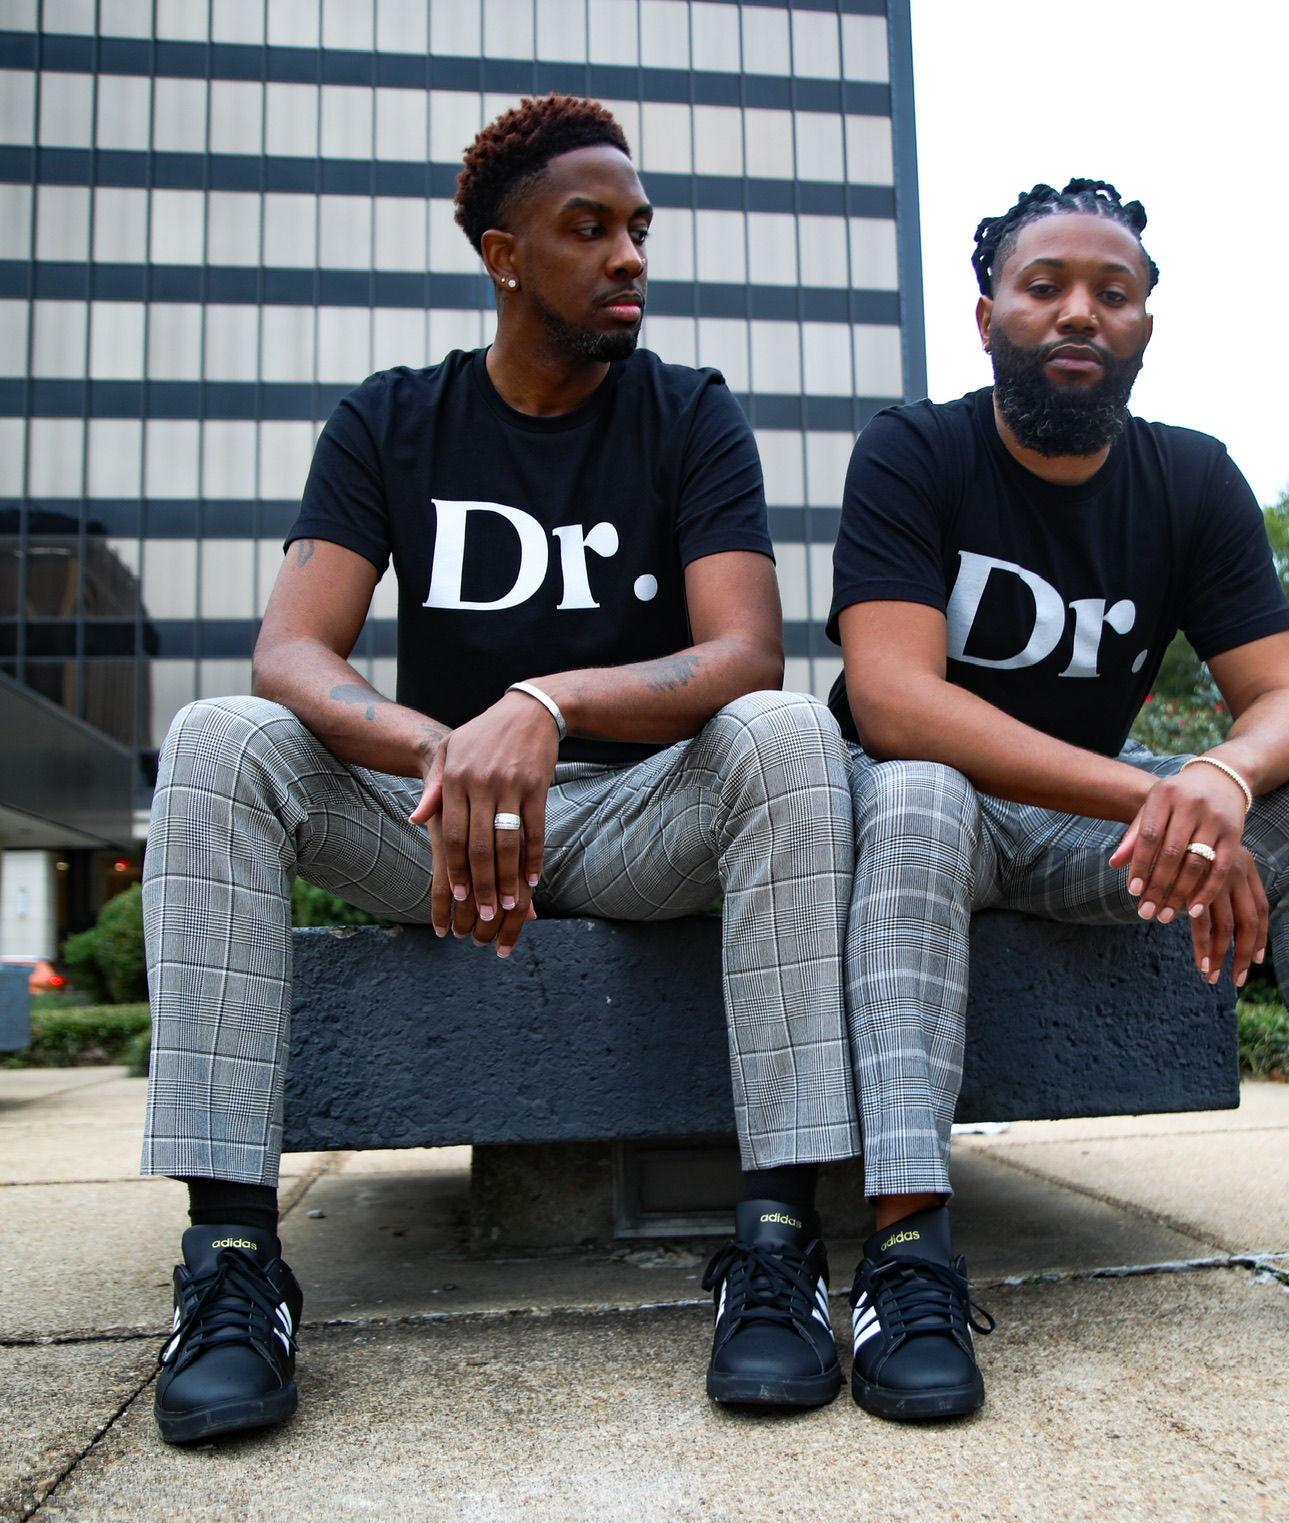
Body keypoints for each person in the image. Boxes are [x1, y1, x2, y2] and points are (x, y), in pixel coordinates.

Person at [142, 95, 856, 1444]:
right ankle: (231, 1266)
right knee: (218, 738)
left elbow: (744, 652)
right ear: (503, 254)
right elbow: (291, 651)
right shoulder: (392, 419)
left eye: (638, 227)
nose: (629, 255)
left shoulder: (689, 413)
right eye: (589, 228)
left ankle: (775, 1248)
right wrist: (446, 748)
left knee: (789, 733)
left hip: (639, 818)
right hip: (442, 824)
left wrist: (544, 701)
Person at [827, 178, 1289, 1423]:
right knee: (924, 790)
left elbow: (1287, 701)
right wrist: (1153, 796)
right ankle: (906, 1248)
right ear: (988, 316)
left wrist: (1220, 776)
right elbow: (894, 703)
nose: (1079, 313)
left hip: (1080, 830)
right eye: (1045, 286)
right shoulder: (915, 451)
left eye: (1114, 292)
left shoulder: (1194, 479)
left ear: (1146, 325)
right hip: (917, 819)